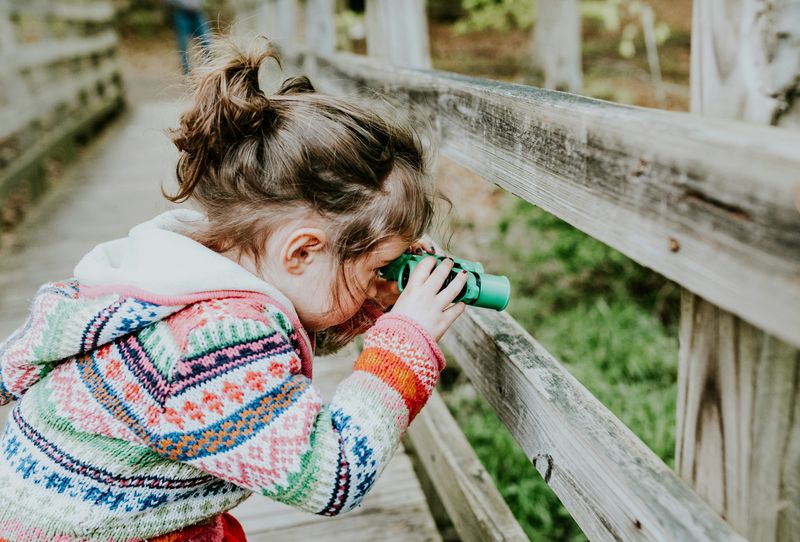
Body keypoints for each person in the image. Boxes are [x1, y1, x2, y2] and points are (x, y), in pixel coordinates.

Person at [0, 43, 468, 541]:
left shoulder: (175, 273)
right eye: (380, 264)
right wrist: (406, 343)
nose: (388, 276)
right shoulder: (219, 340)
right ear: (302, 252)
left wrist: (371, 295)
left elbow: (294, 325)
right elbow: (333, 476)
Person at [167, 0, 213, 74]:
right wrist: (186, 5)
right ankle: (186, 73)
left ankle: (211, 69)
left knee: (206, 41)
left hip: (197, 13)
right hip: (181, 13)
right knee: (183, 45)